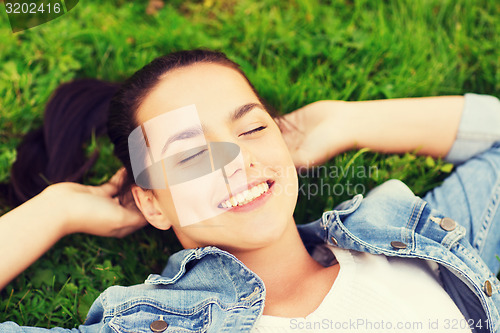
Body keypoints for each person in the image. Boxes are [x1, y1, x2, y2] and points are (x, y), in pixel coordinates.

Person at [0, 49, 499, 332]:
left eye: (253, 130)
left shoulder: (419, 243)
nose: (236, 160)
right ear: (150, 201)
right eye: (191, 154)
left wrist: (343, 120)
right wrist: (57, 209)